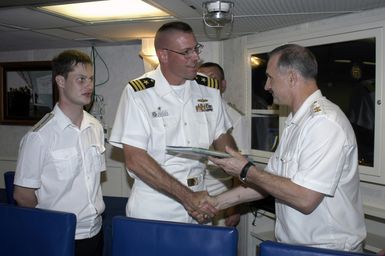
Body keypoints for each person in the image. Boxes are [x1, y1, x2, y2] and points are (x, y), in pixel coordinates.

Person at [207, 44, 367, 251]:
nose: (266, 86)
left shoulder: (325, 122)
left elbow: (305, 198)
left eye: (270, 77)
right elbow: (268, 182)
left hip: (326, 250)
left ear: (292, 77)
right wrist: (215, 202)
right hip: (294, 247)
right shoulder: (295, 122)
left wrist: (246, 170)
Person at [109, 21, 236, 224]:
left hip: (200, 199)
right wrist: (188, 198)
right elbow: (135, 159)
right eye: (186, 52)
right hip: (155, 204)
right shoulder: (139, 93)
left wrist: (240, 169)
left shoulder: (209, 89)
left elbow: (222, 137)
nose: (195, 57)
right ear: (163, 55)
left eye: (196, 49)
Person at [13, 50, 106, 256]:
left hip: (95, 232)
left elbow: (94, 182)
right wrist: (52, 221)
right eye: (81, 79)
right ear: (60, 81)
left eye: (90, 79)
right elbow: (23, 195)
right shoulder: (39, 136)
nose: (89, 86)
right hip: (58, 236)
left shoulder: (96, 127)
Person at [198, 62, 247, 227]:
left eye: (212, 79)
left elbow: (241, 162)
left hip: (220, 188)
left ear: (223, 84)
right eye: (201, 79)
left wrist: (234, 207)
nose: (206, 83)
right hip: (193, 187)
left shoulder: (235, 117)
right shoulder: (190, 111)